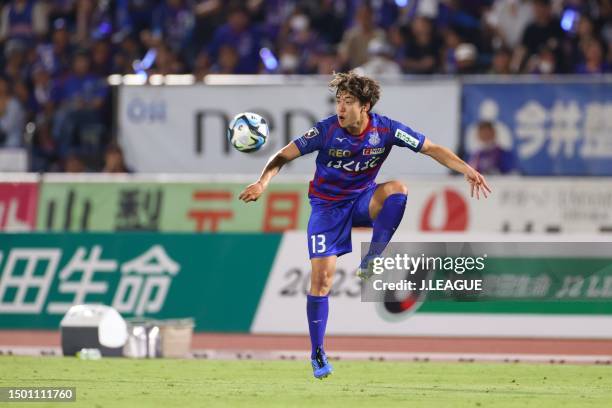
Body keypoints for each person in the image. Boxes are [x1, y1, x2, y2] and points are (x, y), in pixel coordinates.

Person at [238, 71, 491, 380]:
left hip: (361, 201)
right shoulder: (325, 131)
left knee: (397, 189)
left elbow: (431, 148)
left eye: (348, 102)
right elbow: (281, 156)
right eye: (338, 102)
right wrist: (263, 183)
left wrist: (466, 169)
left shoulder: (386, 130)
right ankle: (317, 352)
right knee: (321, 281)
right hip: (326, 209)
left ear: (365, 105)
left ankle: (373, 256)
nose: (340, 109)